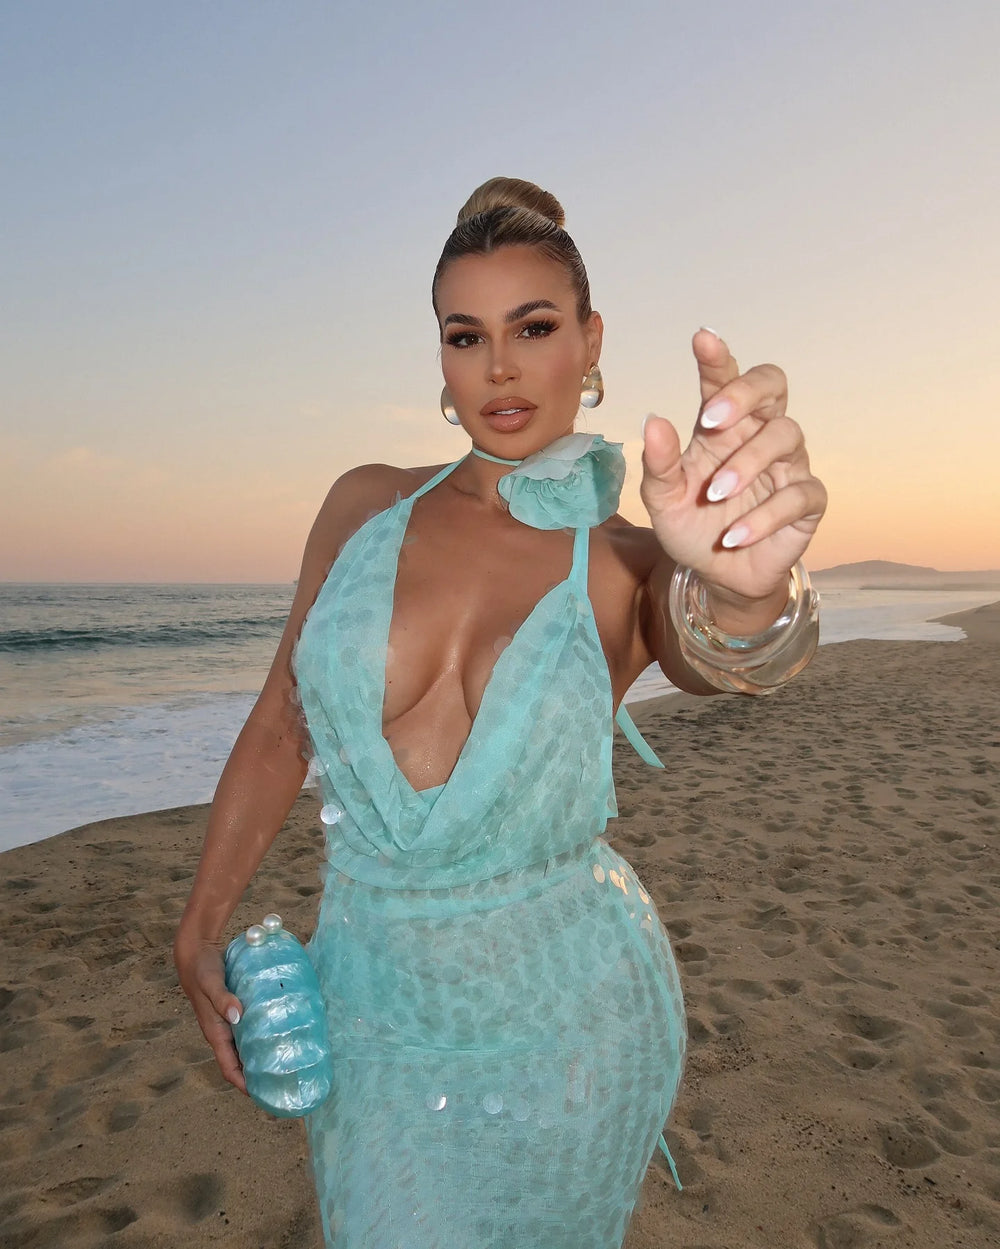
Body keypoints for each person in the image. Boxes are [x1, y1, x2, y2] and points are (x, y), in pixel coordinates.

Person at [174, 176, 827, 1248]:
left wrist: (751, 589)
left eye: (533, 327)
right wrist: (199, 922)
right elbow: (281, 725)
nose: (502, 367)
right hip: (375, 1015)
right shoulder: (363, 504)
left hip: (570, 1020)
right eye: (465, 336)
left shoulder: (625, 560)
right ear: (440, 358)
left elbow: (727, 649)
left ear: (590, 339)